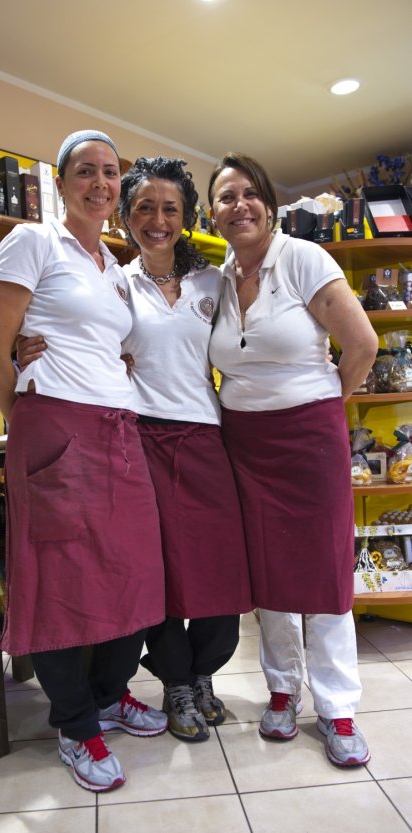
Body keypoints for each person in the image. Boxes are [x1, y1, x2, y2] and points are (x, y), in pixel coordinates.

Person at [19, 156, 252, 743]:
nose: (157, 219)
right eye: (144, 206)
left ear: (185, 217)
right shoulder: (114, 282)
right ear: (125, 216)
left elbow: (251, 339)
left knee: (220, 575)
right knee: (160, 578)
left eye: (169, 208)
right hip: (138, 438)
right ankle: (177, 683)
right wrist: (26, 349)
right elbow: (80, 338)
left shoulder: (213, 283)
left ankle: (202, 670)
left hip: (205, 438)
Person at [0, 130, 167, 794]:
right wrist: (25, 417)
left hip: (118, 431)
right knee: (62, 578)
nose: (101, 183)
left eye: (111, 173)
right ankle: (75, 721)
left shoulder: (112, 268)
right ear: (59, 184)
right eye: (85, 171)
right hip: (54, 425)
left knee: (135, 570)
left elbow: (104, 344)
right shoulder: (33, 240)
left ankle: (111, 693)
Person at [207, 151, 379, 767]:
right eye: (226, 197)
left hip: (308, 438)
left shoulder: (304, 258)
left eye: (249, 193)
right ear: (213, 213)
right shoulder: (219, 278)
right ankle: (282, 689)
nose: (239, 205)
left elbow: (362, 345)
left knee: (326, 575)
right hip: (244, 442)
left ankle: (337, 707)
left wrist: (324, 404)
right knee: (270, 572)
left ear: (269, 205)